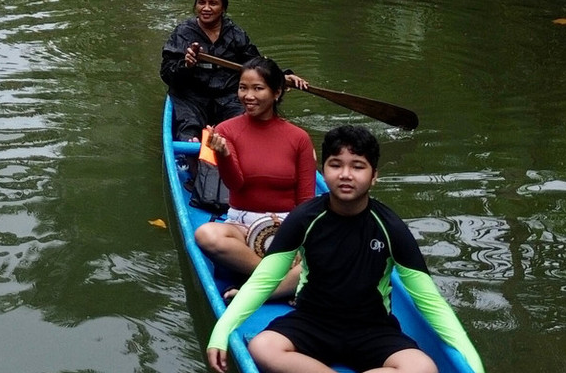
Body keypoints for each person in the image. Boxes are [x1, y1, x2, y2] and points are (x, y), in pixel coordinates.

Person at [206, 125, 486, 373]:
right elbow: (263, 281)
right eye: (336, 164)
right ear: (324, 171)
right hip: (313, 321)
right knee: (263, 347)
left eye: (358, 166)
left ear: (374, 175)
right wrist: (221, 331)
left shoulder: (390, 227)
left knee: (423, 367)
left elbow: (430, 301)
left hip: (372, 328)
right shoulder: (305, 218)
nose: (346, 175)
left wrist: (474, 363)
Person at [193, 57, 315, 299]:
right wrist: (224, 155)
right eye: (243, 88)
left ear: (276, 93)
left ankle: (260, 292)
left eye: (258, 88)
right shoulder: (226, 130)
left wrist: (299, 239)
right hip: (242, 226)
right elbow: (235, 184)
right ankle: (278, 280)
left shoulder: (299, 138)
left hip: (286, 228)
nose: (248, 96)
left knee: (330, 249)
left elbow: (306, 200)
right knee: (206, 235)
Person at [161, 0, 308, 140]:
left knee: (246, 129)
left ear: (223, 7)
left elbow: (256, 65)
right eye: (201, 2)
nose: (206, 8)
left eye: (213, 3)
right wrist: (186, 65)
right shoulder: (183, 33)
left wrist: (281, 76)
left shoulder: (235, 35)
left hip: (228, 97)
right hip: (191, 97)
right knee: (188, 130)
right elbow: (166, 74)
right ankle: (192, 150)